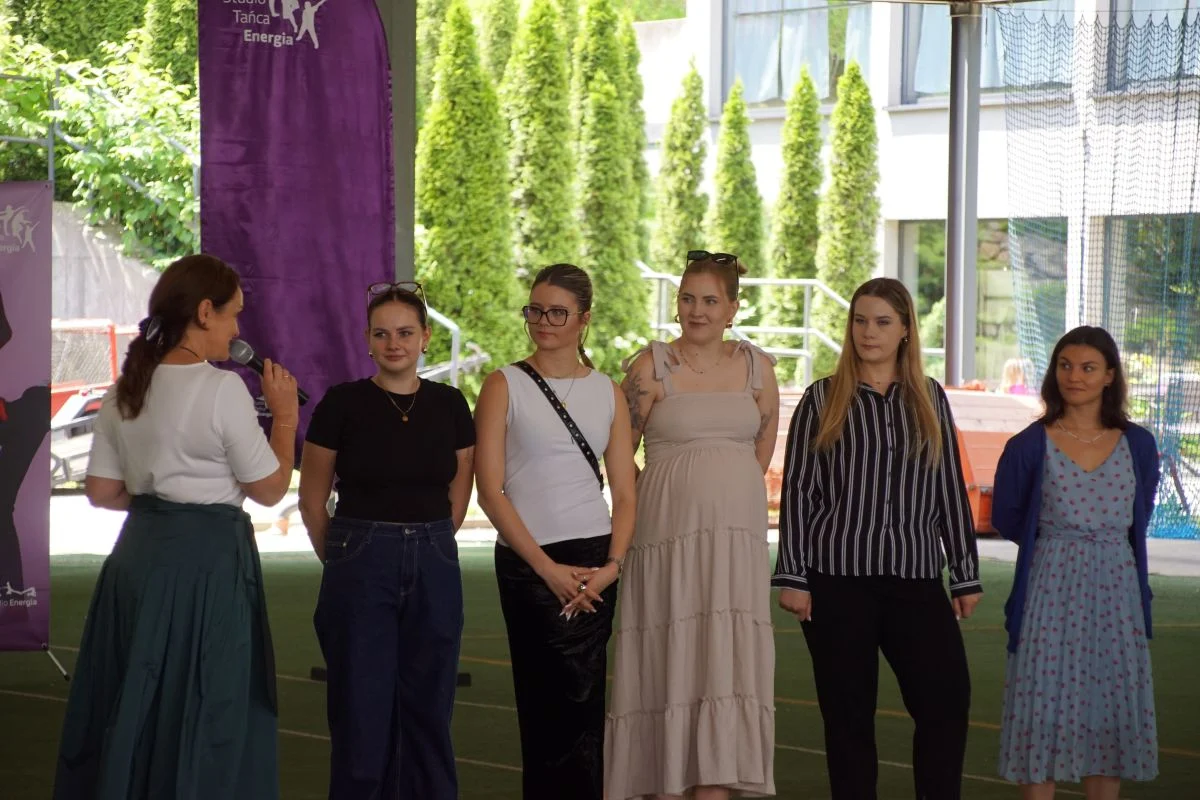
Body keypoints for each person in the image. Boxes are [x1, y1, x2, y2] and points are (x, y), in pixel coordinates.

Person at [54, 254, 299, 799]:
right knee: (205, 702)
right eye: (234, 314)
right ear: (205, 312)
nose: (238, 328)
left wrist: (162, 500)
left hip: (138, 558)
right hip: (205, 566)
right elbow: (269, 489)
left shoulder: (126, 388)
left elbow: (103, 492)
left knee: (131, 695)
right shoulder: (222, 389)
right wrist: (284, 418)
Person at [772, 277, 983, 800]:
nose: (869, 332)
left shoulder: (929, 397)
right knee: (848, 719)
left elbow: (948, 486)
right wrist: (793, 575)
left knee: (946, 702)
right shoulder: (822, 398)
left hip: (915, 579)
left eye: (883, 322)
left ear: (906, 329)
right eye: (860, 320)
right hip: (837, 582)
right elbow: (799, 491)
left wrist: (964, 574)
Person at [606, 250, 780, 799]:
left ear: (732, 308)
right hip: (666, 538)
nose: (696, 310)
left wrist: (721, 497)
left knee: (724, 658)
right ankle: (664, 783)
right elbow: (619, 456)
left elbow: (760, 453)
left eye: (709, 300)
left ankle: (716, 781)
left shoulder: (758, 367)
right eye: (687, 298)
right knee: (670, 653)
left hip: (735, 542)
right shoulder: (650, 366)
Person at [298, 281, 475, 799]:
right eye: (382, 334)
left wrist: (430, 540)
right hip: (360, 558)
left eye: (405, 332)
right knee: (360, 707)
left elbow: (461, 487)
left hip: (434, 557)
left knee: (430, 705)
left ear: (425, 338)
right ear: (367, 340)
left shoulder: (450, 404)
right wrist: (345, 557)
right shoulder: (342, 403)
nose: (393, 343)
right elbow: (312, 499)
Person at [474, 264, 637, 800]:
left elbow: (625, 492)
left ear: (584, 320)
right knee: (541, 704)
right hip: (528, 563)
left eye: (558, 313)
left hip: (594, 560)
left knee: (585, 706)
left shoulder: (608, 392)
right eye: (535, 310)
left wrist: (612, 567)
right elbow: (490, 491)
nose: (543, 321)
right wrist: (545, 569)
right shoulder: (503, 384)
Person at [994, 327, 1159, 799]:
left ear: (1109, 376)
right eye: (1065, 365)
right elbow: (1008, 515)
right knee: (1040, 704)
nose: (1074, 376)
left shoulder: (1137, 443)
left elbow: (1140, 511)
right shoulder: (1029, 444)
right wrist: (1062, 544)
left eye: (1088, 367)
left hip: (1117, 590)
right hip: (1049, 585)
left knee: (1109, 708)